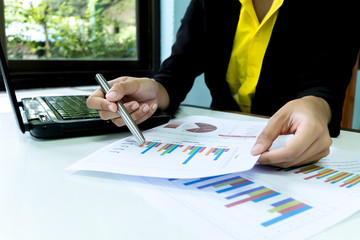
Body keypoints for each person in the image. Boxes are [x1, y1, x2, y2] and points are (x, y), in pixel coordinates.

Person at [86, 0, 360, 168]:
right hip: (219, 143)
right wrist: (155, 90)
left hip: (287, 147)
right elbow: (179, 68)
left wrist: (315, 109)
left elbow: (324, 87)